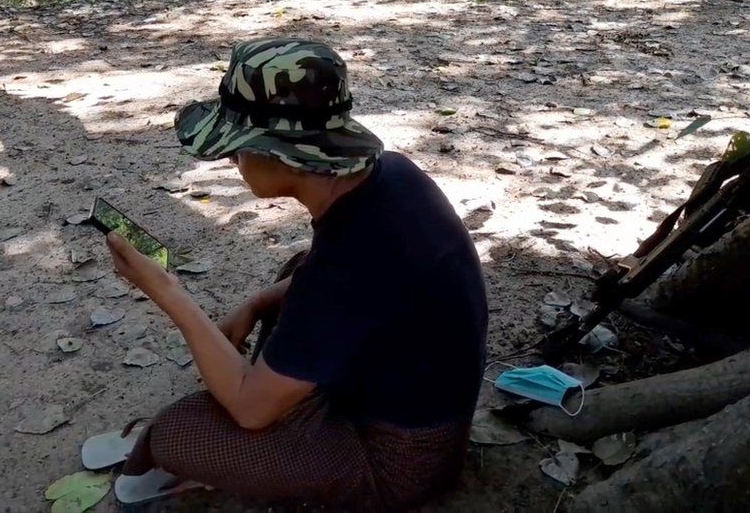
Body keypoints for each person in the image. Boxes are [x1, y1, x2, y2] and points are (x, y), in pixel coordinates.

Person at [105, 38, 488, 510]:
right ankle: (290, 403)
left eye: (239, 149)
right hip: (413, 400)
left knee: (177, 434)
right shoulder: (385, 174)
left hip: (398, 464)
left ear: (283, 155)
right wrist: (254, 304)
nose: (231, 162)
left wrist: (167, 292)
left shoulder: (351, 266)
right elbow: (339, 282)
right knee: (294, 273)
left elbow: (248, 410)